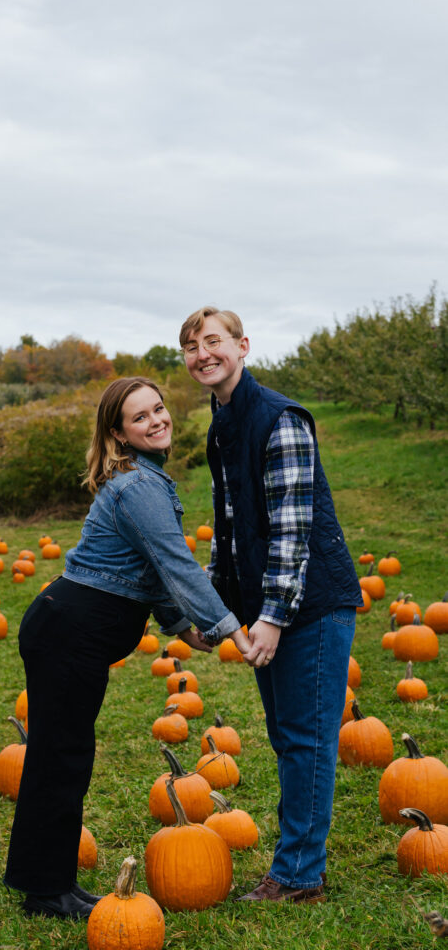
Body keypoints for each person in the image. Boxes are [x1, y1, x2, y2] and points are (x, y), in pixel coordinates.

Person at [4, 376, 251, 919]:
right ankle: (48, 891)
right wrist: (230, 627)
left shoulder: (146, 480)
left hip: (69, 631)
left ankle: (44, 881)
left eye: (158, 409)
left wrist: (182, 627)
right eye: (140, 417)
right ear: (117, 432)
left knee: (59, 754)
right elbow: (175, 562)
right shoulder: (138, 485)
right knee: (62, 756)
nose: (156, 420)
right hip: (68, 632)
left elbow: (152, 571)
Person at [179, 306, 361, 903]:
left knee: (306, 739)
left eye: (213, 342)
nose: (202, 354)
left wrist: (274, 618)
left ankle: (299, 876)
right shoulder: (223, 421)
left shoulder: (279, 419)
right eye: (190, 347)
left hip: (310, 604)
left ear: (243, 346)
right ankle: (298, 864)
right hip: (270, 605)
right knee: (288, 737)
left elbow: (291, 531)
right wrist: (215, 608)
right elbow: (230, 527)